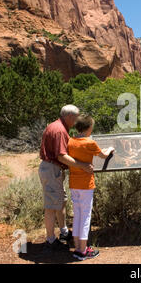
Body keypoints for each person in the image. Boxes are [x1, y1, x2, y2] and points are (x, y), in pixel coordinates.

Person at [39, 105, 94, 251]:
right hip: (52, 169)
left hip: (52, 170)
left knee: (60, 201)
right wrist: (82, 165)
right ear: (70, 117)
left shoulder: (57, 126)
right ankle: (50, 240)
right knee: (51, 206)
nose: (77, 121)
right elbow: (62, 156)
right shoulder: (59, 130)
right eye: (76, 118)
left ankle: (63, 232)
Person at [68, 114, 114, 261]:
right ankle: (83, 250)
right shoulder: (90, 143)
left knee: (77, 215)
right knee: (85, 216)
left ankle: (77, 248)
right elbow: (103, 156)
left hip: (74, 183)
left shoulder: (70, 141)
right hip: (86, 184)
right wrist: (110, 149)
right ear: (88, 128)